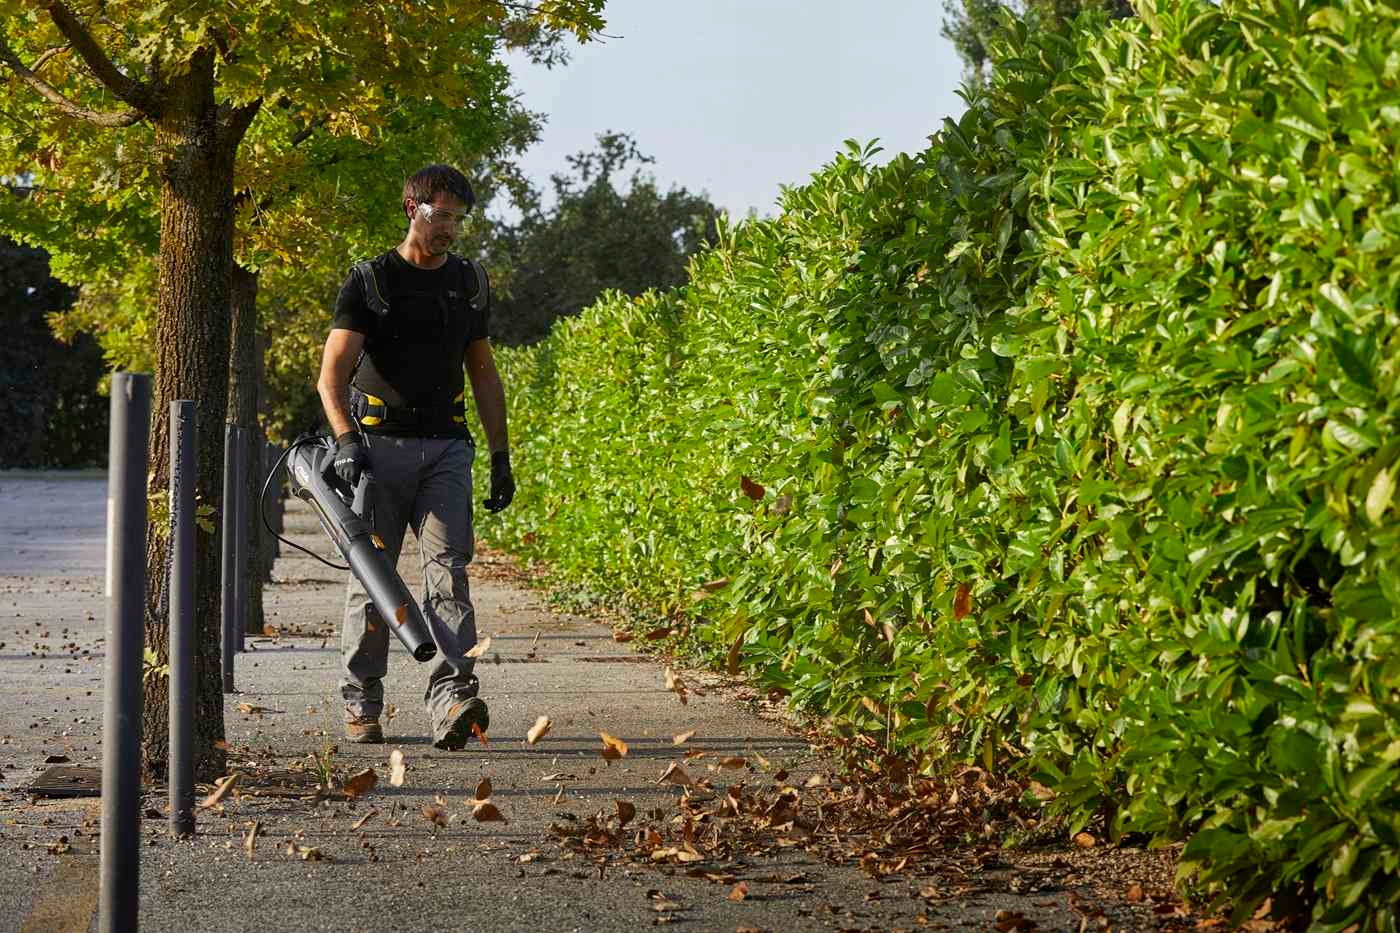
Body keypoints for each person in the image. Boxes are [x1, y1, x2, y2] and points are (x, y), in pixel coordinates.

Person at [315, 163, 515, 750]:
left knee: (449, 572)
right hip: (376, 451)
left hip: (447, 448)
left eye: (459, 218)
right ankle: (362, 700)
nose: (450, 228)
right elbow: (331, 376)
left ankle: (452, 699)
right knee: (373, 581)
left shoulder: (469, 282)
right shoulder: (372, 281)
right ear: (412, 208)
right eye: (441, 215)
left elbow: (484, 374)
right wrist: (347, 442)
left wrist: (500, 455)